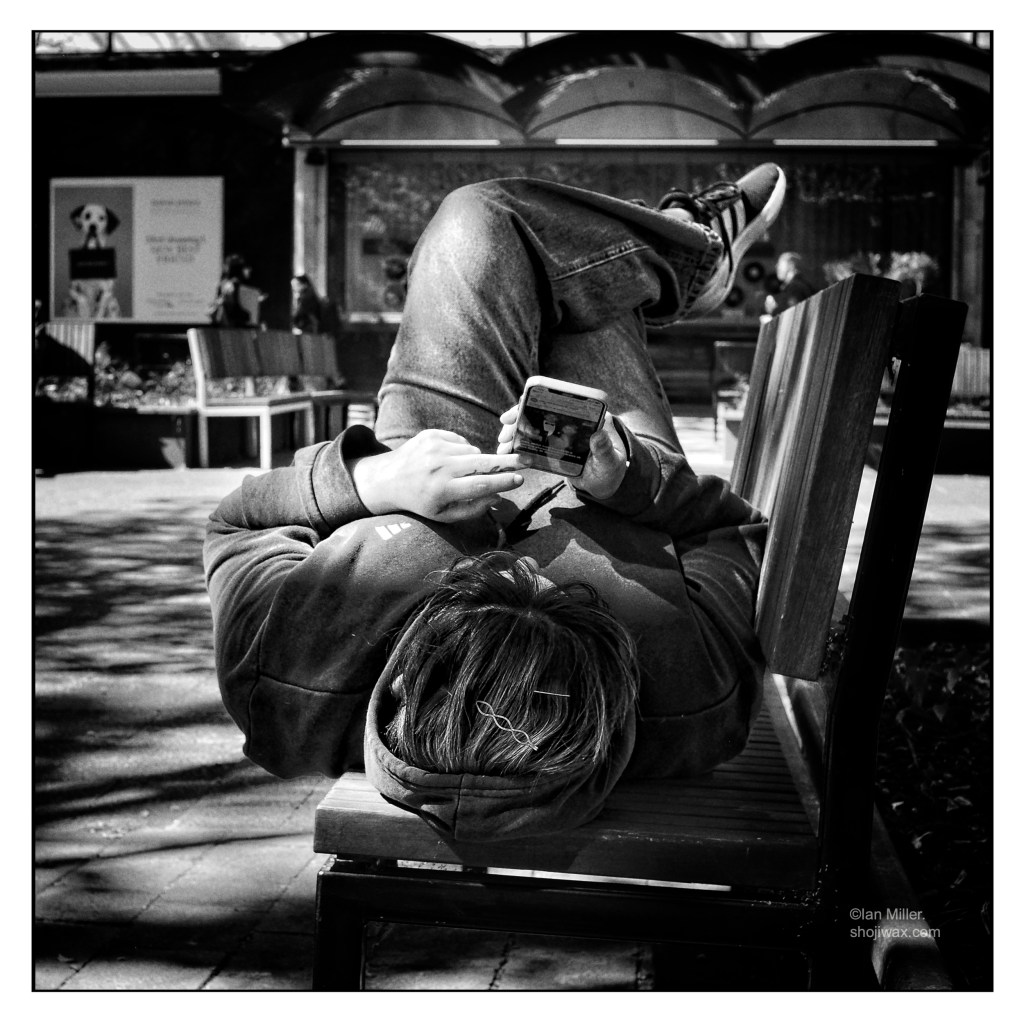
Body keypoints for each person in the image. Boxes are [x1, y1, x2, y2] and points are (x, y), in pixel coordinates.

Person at [204, 165, 787, 841]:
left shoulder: (289, 680)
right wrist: (622, 473)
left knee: (478, 222)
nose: (516, 544)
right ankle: (687, 248)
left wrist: (376, 479)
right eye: (566, 587)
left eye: (473, 580)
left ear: (405, 660)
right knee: (576, 290)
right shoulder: (691, 696)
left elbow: (235, 521)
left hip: (430, 469)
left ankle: (683, 248)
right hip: (611, 475)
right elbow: (738, 530)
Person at [209, 254, 265, 327]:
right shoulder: (234, 287)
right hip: (239, 330)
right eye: (246, 267)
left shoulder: (224, 285)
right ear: (239, 269)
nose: (249, 270)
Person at [764, 251, 817, 317]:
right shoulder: (798, 284)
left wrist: (774, 310)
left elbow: (793, 315)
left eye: (780, 263)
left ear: (791, 266)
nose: (777, 267)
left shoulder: (795, 287)